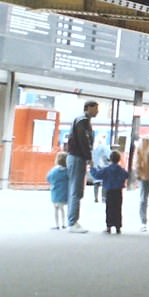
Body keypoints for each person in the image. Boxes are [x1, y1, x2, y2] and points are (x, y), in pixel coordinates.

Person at [65, 100, 98, 233]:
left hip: (76, 157)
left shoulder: (82, 120)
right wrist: (89, 157)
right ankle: (72, 222)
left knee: (75, 189)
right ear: (88, 108)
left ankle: (72, 220)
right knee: (76, 189)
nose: (97, 112)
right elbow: (83, 141)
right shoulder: (82, 121)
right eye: (95, 109)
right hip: (77, 157)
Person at [99, 150, 129, 234]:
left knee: (109, 209)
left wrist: (92, 169)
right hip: (118, 191)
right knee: (118, 209)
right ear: (119, 159)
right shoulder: (121, 170)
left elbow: (97, 175)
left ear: (110, 159)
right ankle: (118, 226)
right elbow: (127, 175)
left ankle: (109, 226)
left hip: (109, 191)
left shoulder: (106, 169)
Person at [46, 152, 69, 230]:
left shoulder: (54, 171)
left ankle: (57, 225)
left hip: (55, 191)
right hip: (65, 192)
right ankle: (64, 224)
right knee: (62, 208)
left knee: (56, 209)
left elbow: (48, 178)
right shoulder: (67, 171)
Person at [90, 134, 109, 203]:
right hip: (104, 167)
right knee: (104, 183)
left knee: (96, 183)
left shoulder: (94, 147)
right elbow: (108, 156)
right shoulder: (105, 147)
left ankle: (96, 197)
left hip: (95, 166)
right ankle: (103, 198)